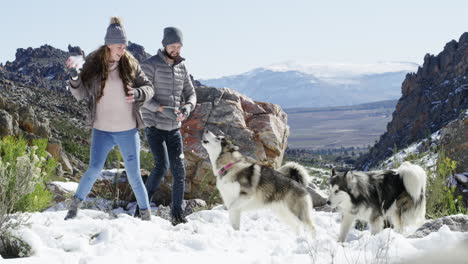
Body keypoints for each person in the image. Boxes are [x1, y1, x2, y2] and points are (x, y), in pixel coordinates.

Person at [64, 17, 154, 221]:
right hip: (102, 130)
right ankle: (73, 210)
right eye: (120, 46)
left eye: (125, 46)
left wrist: (139, 93)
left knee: (134, 176)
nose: (123, 49)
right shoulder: (94, 65)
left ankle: (147, 216)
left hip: (127, 130)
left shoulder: (130, 63)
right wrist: (75, 78)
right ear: (109, 44)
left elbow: (149, 88)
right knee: (94, 169)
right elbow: (80, 94)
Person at [137, 27, 197, 225]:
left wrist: (187, 108)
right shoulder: (149, 65)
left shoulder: (182, 67)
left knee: (179, 171)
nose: (176, 49)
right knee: (161, 166)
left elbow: (191, 93)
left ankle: (177, 216)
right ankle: (141, 211)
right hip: (154, 125)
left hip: (174, 128)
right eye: (173, 45)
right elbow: (143, 96)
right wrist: (161, 108)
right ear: (164, 44)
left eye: (179, 46)